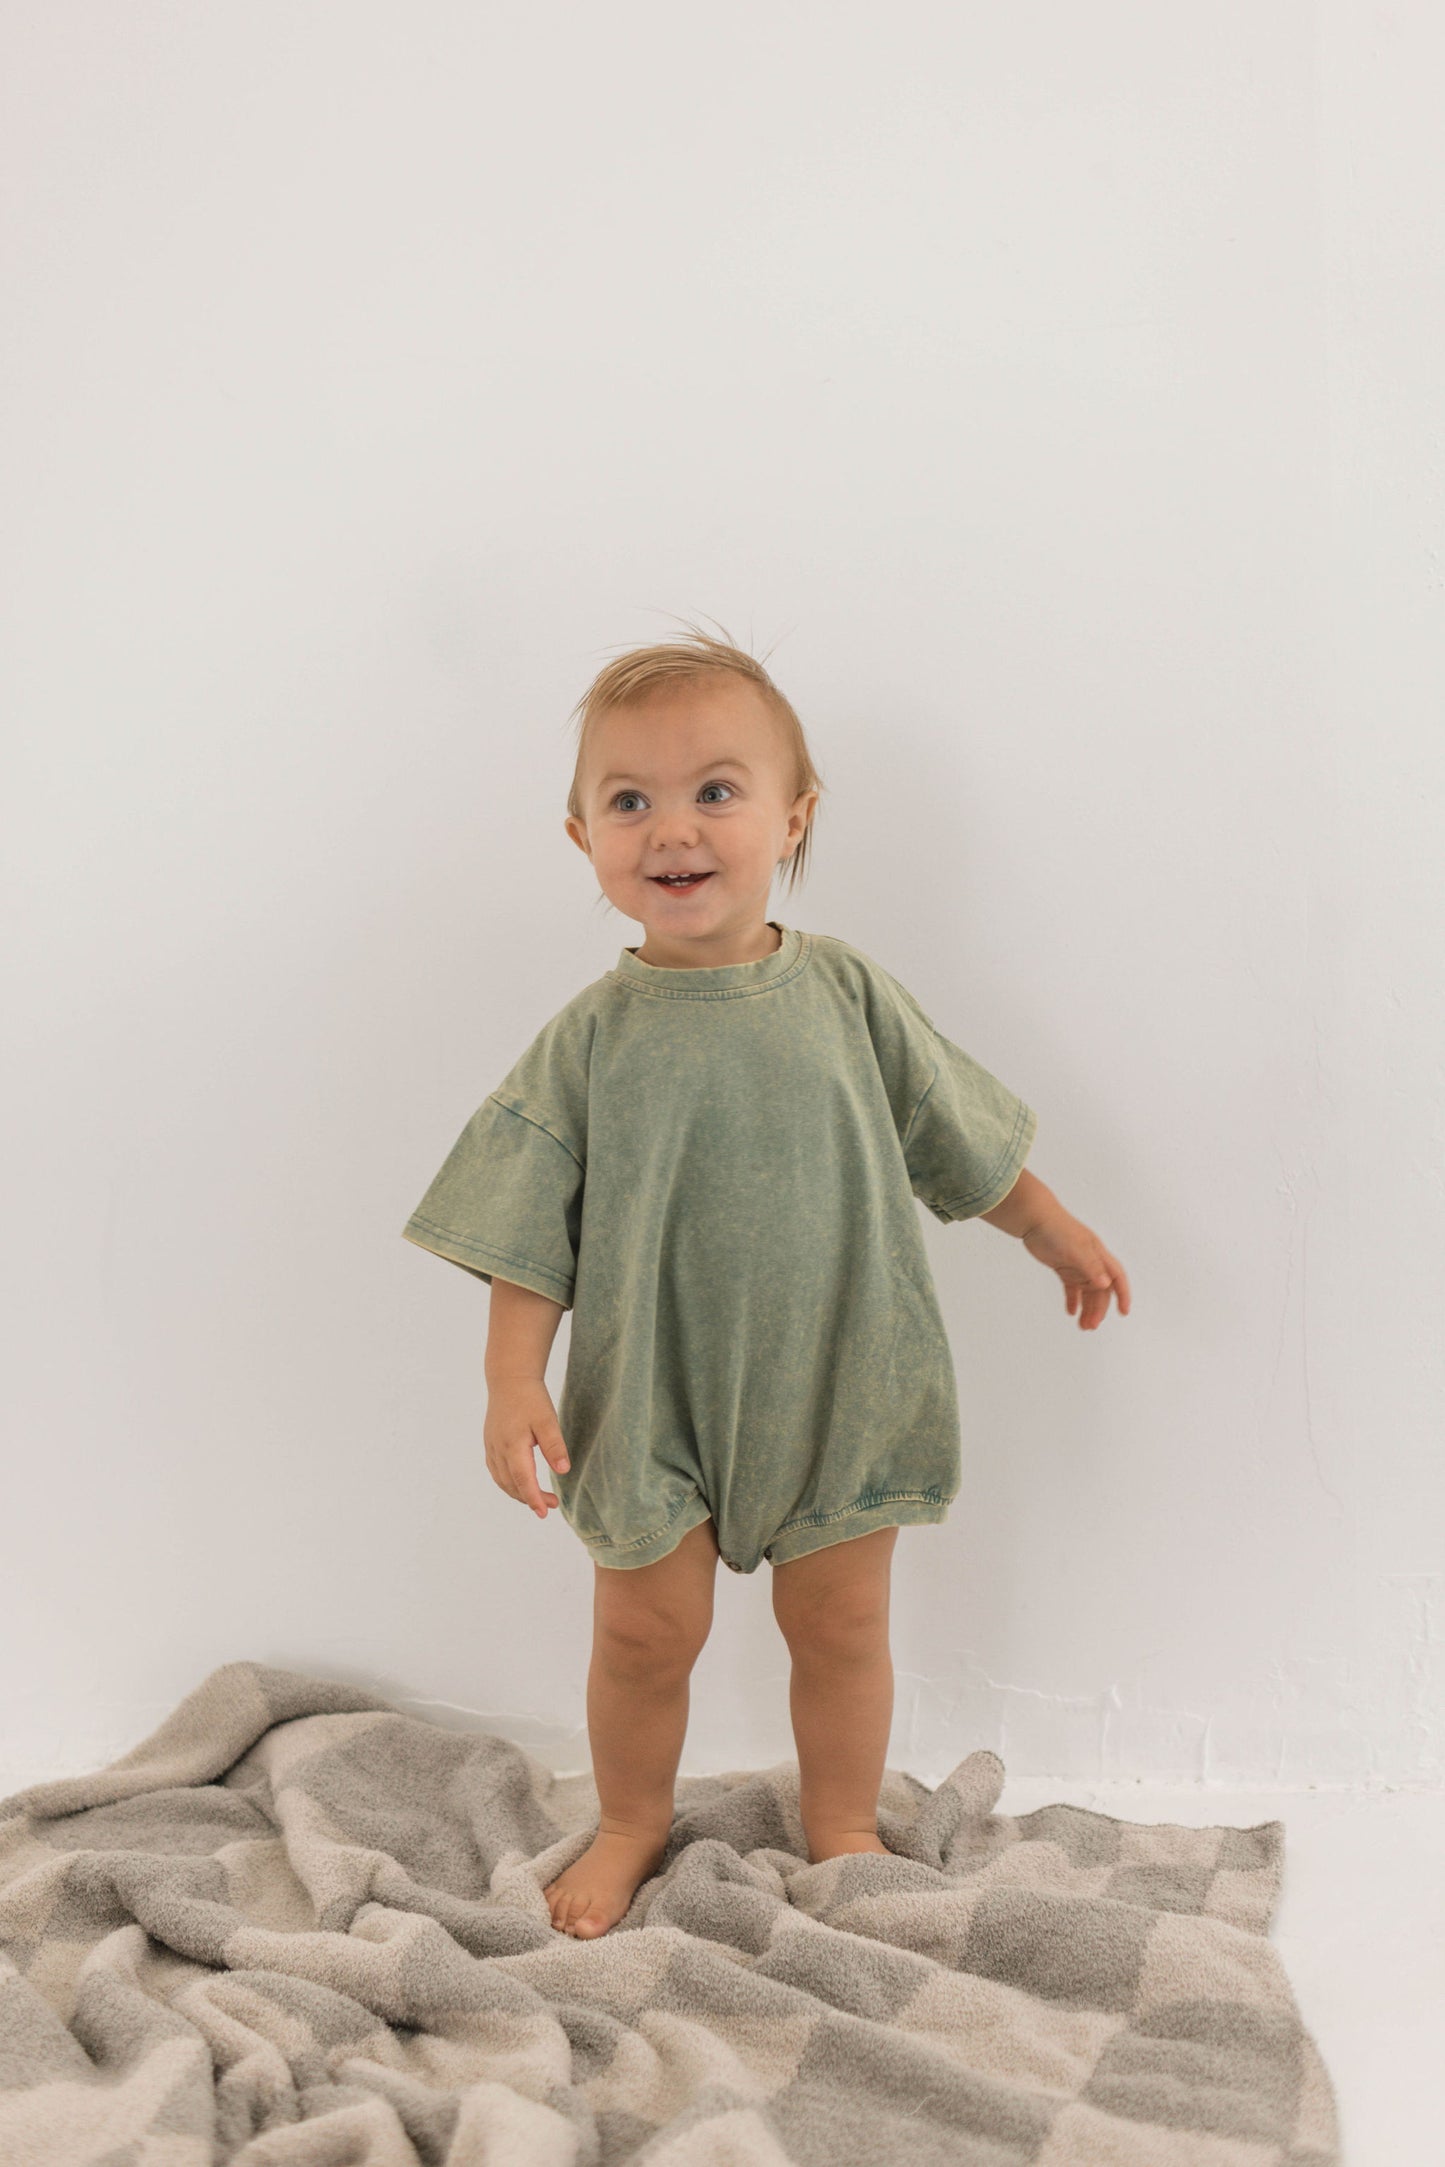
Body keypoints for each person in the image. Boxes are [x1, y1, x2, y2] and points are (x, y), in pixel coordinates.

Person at [402, 625, 1131, 1939]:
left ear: (792, 818)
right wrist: (511, 1377)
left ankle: (840, 1820)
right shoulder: (587, 1043)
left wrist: (1049, 1225)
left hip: (841, 1375)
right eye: (629, 801)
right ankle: (630, 1818)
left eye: (714, 791)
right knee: (641, 1632)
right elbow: (529, 1221)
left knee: (843, 1627)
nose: (671, 829)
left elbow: (951, 1131)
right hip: (652, 1389)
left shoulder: (846, 994)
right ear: (582, 838)